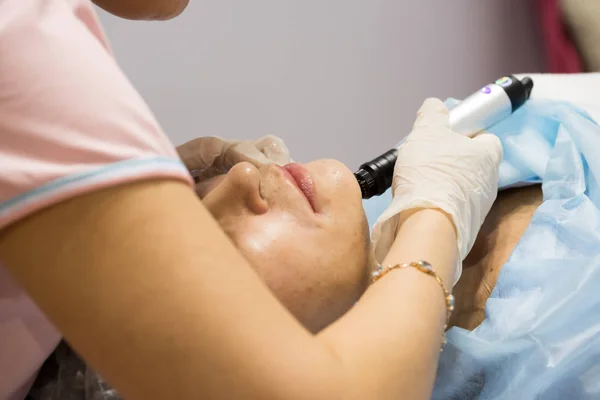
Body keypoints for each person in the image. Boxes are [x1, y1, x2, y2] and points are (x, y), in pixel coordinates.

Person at [0, 1, 502, 400]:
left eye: (188, 199)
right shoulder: (22, 43)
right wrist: (436, 217)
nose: (242, 175)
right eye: (213, 260)